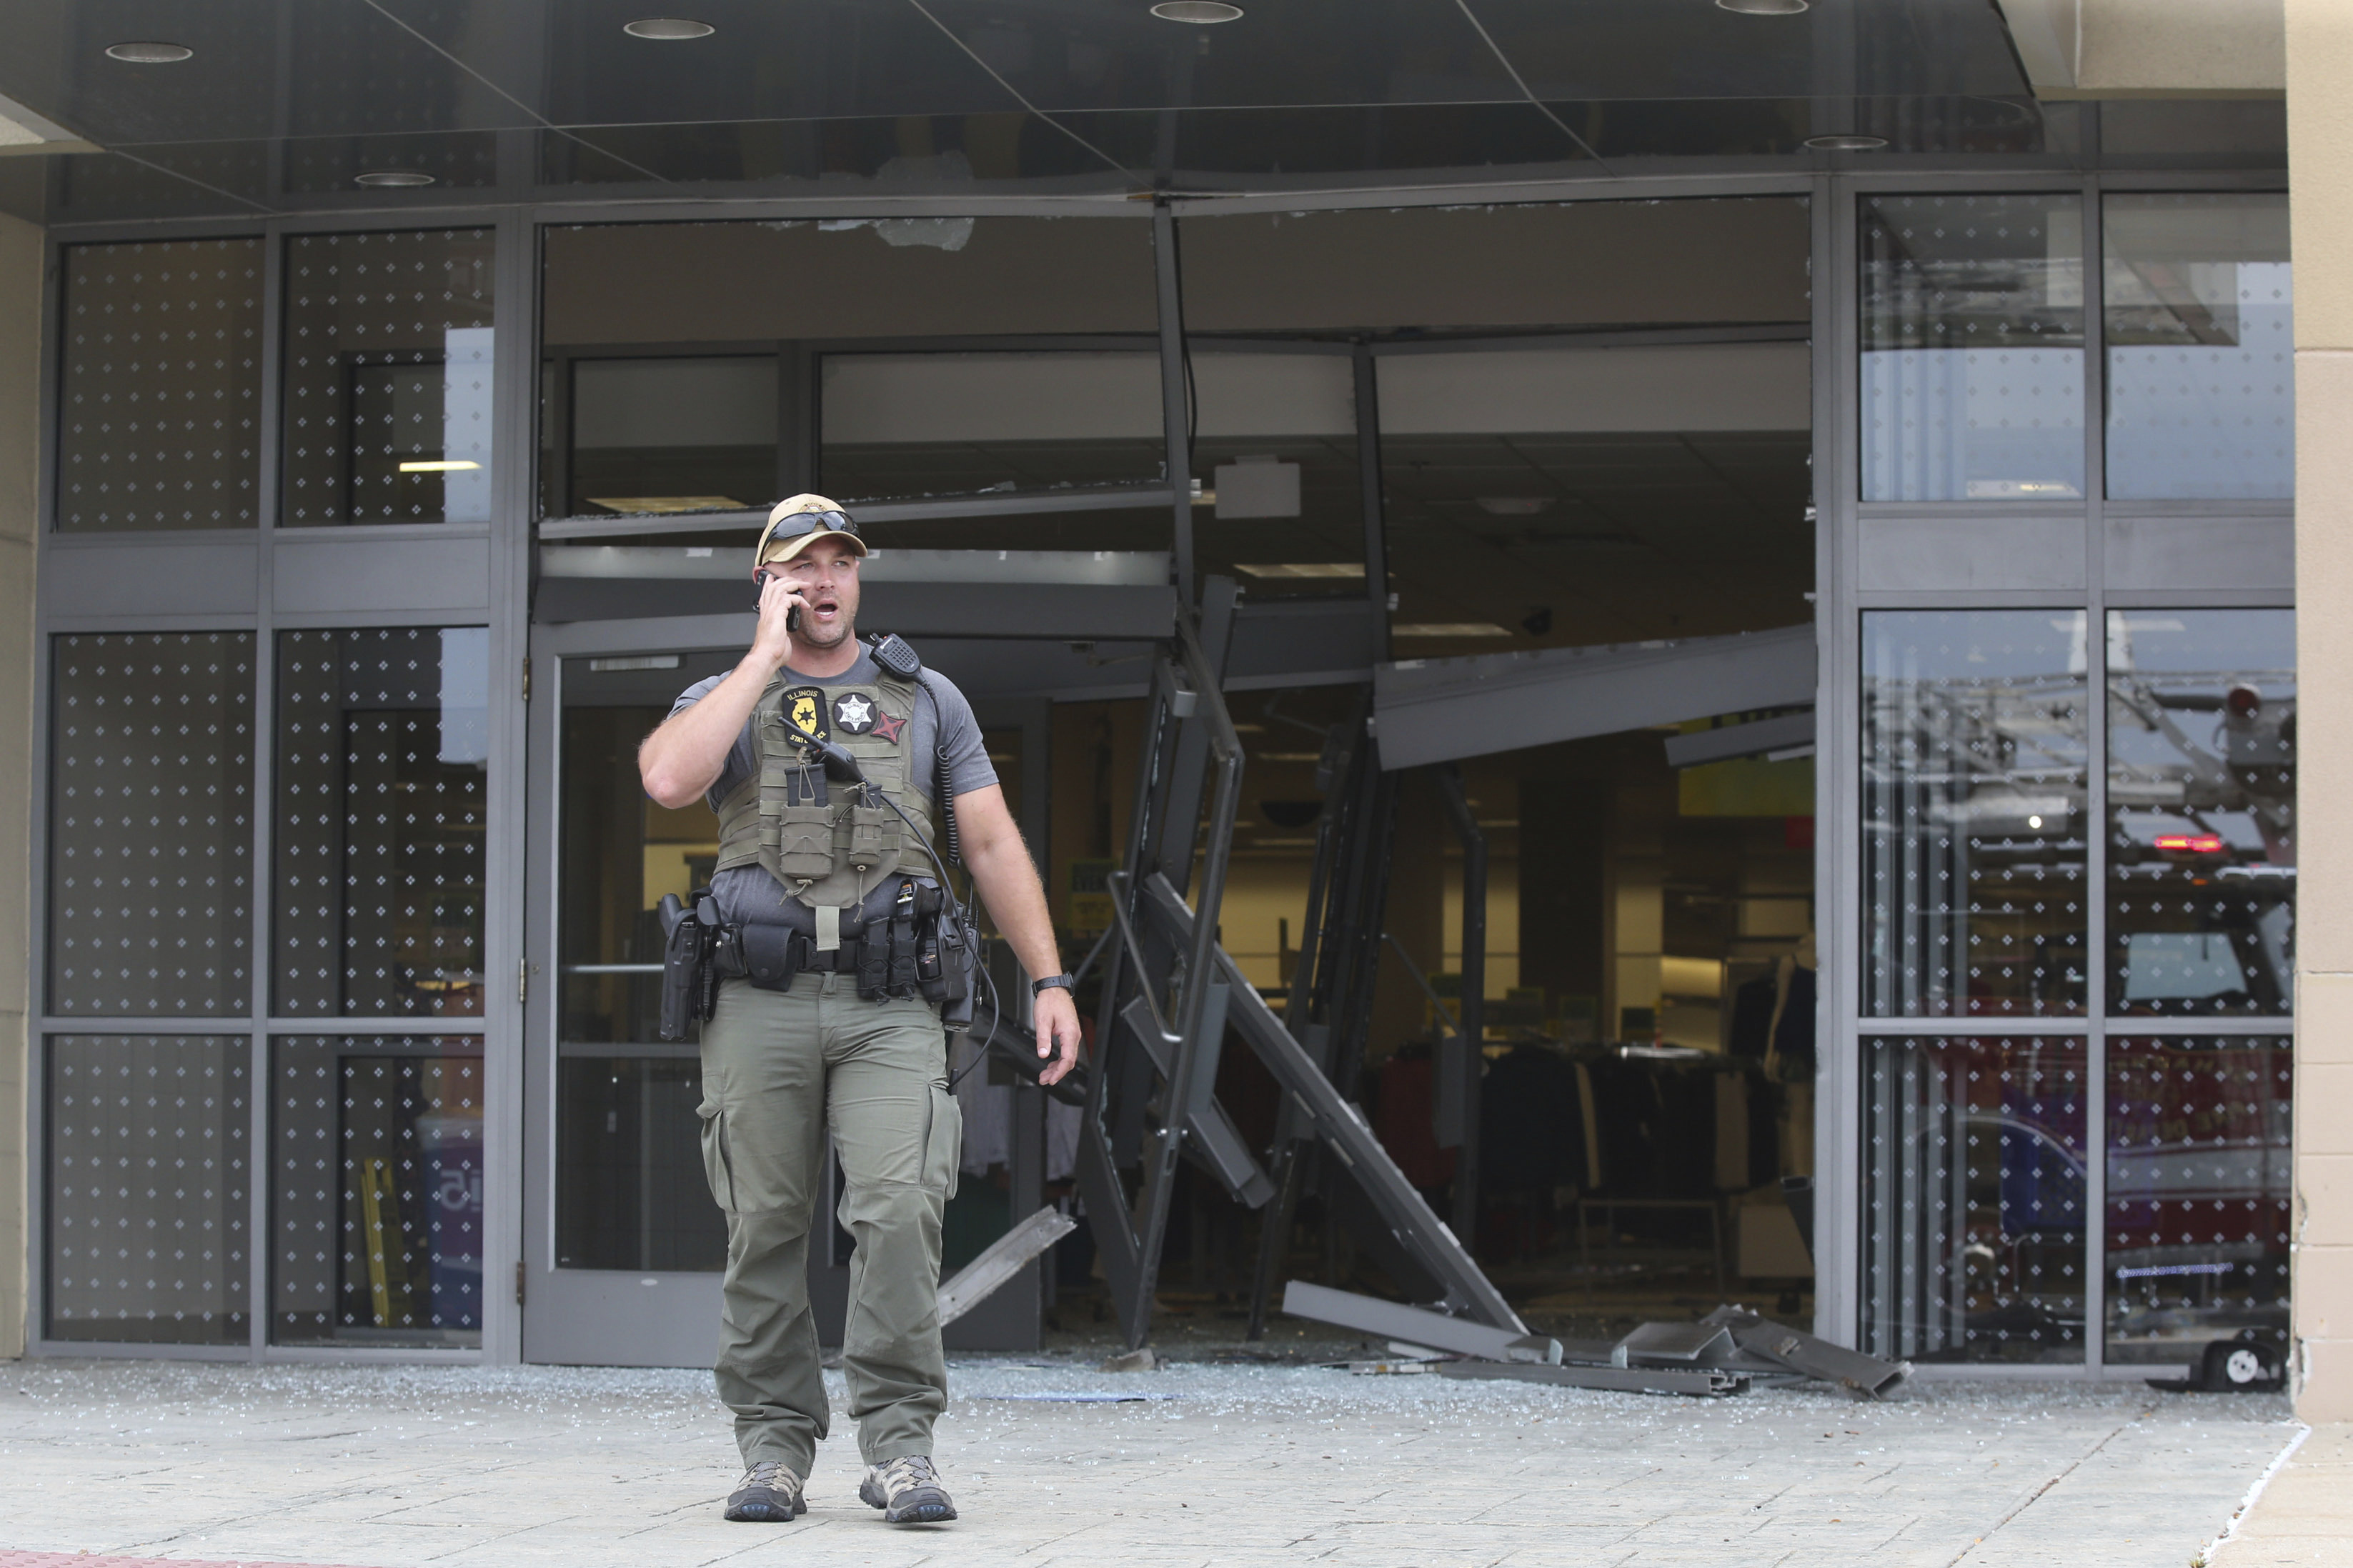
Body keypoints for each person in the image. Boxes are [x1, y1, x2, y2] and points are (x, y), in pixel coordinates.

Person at [637, 494, 1083, 1527]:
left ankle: (900, 1448)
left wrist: (1050, 980)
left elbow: (991, 843)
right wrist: (762, 658)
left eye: (840, 562)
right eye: (802, 564)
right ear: (767, 582)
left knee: (898, 1211)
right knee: (764, 1224)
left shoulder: (925, 697)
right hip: (758, 997)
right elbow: (665, 778)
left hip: (890, 1001)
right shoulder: (723, 696)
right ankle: (773, 1449)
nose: (825, 580)